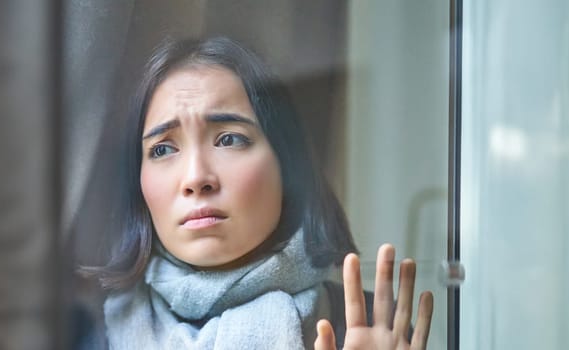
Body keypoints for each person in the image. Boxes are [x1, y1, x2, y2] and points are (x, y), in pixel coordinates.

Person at [82, 36, 433, 349]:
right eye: (162, 149)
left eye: (229, 139)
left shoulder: (369, 328)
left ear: (287, 163)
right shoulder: (93, 332)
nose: (196, 178)